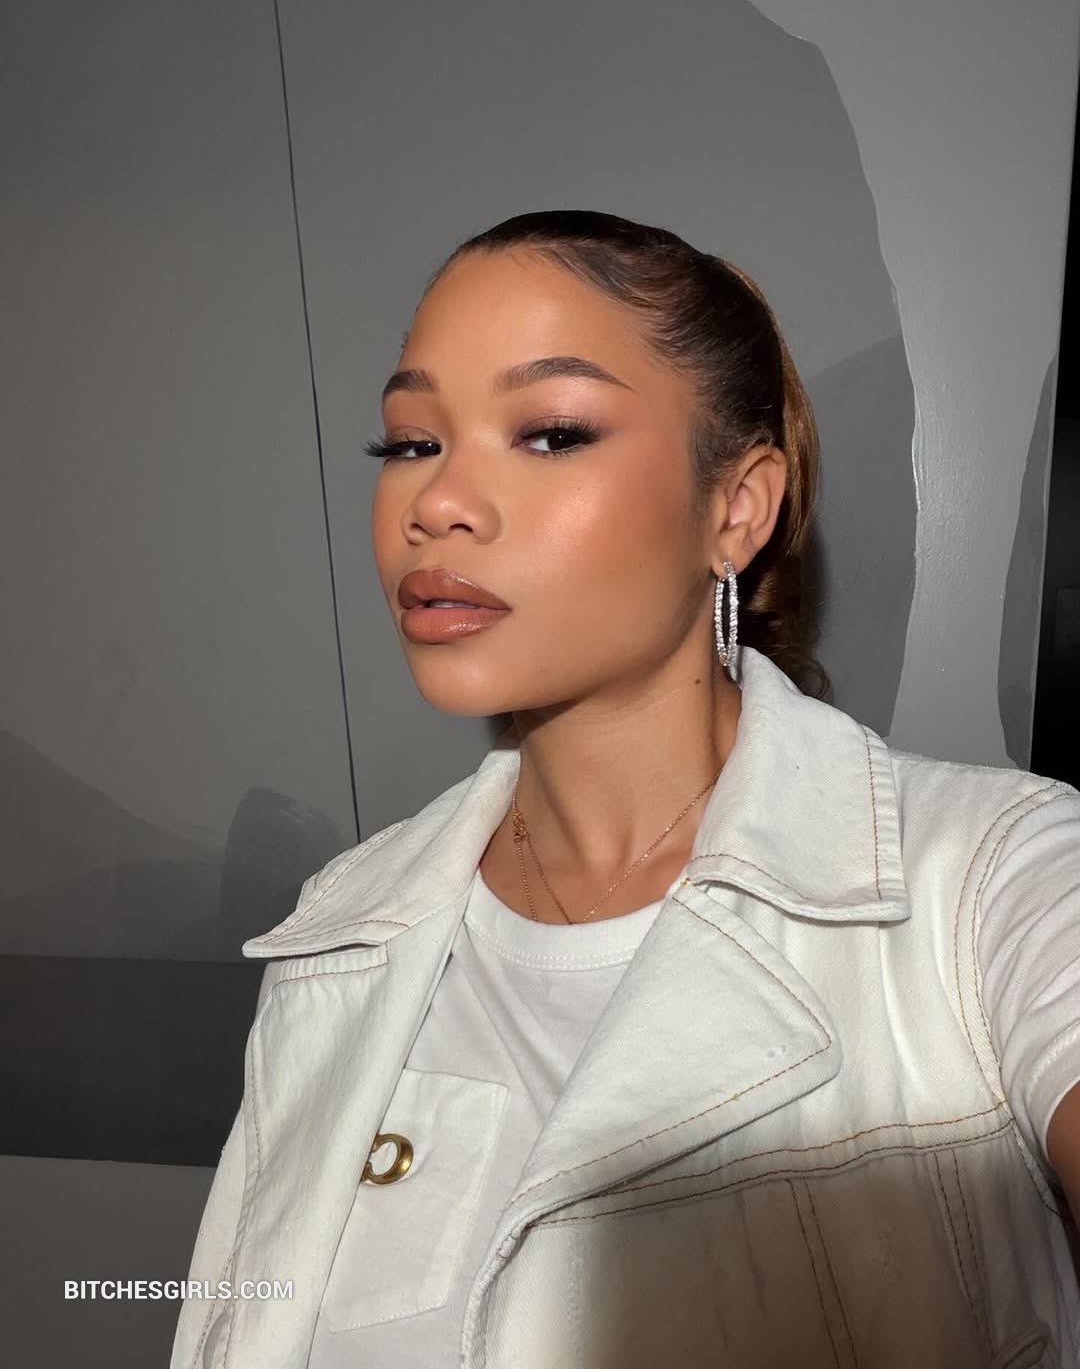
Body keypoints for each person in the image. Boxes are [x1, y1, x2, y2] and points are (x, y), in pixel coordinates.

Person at [171, 210, 1080, 1369]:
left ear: (736, 509)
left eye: (549, 433)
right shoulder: (335, 936)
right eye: (410, 441)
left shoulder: (998, 882)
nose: (436, 502)